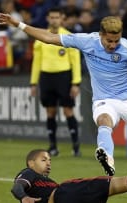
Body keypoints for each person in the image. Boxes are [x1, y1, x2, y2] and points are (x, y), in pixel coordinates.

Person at [0, 12, 127, 176]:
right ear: (100, 35)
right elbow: (48, 37)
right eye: (109, 41)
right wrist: (19, 24)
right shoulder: (86, 41)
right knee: (103, 120)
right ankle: (107, 156)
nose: (112, 45)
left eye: (116, 41)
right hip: (104, 99)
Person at [30, 7, 82, 157]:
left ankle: (75, 146)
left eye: (56, 17)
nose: (54, 20)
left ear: (62, 18)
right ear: (48, 19)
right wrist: (33, 83)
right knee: (50, 112)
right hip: (46, 77)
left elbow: (75, 61)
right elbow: (36, 62)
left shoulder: (68, 36)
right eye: (51, 17)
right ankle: (52, 146)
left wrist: (76, 83)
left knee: (68, 111)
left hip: (64, 77)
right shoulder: (41, 37)